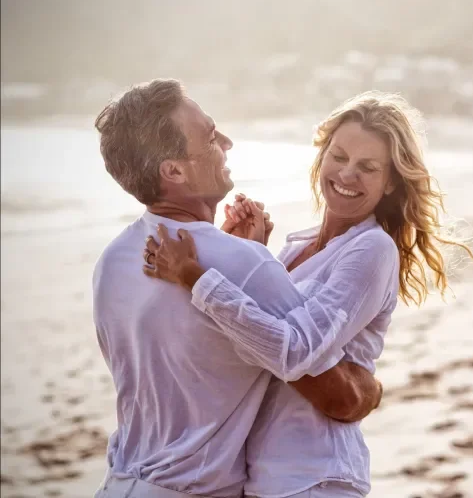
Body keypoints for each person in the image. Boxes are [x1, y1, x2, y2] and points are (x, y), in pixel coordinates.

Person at [143, 91, 473, 497]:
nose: (347, 175)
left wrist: (196, 277)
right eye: (338, 157)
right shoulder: (296, 246)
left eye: (367, 167)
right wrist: (254, 256)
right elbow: (265, 334)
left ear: (391, 181)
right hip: (263, 473)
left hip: (315, 475)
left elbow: (296, 351)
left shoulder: (371, 249)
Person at [92, 79, 382, 498]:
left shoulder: (113, 260)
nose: (227, 142)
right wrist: (371, 390)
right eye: (211, 137)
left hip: (119, 484)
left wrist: (243, 256)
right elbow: (336, 397)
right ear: (174, 171)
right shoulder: (243, 264)